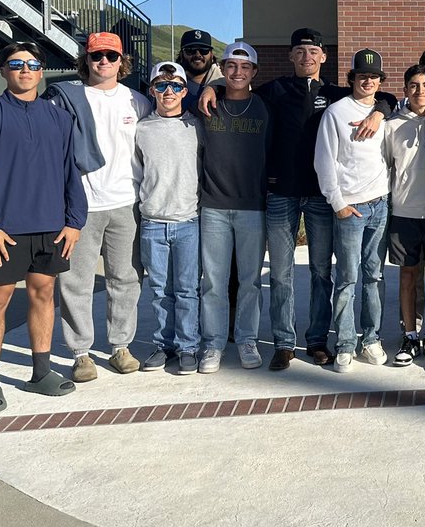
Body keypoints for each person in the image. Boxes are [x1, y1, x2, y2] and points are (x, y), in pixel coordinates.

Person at [199, 28, 391, 372]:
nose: (307, 58)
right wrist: (212, 86)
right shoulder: (274, 90)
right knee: (283, 275)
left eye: (313, 52)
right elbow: (238, 87)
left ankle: (317, 339)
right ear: (291, 57)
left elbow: (379, 93)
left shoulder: (335, 94)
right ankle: (284, 342)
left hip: (320, 195)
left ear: (324, 57)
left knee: (321, 272)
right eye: (300, 52)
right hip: (280, 194)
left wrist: (381, 110)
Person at [0, 42, 86, 414]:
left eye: (33, 64)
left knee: (43, 295)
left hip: (50, 227)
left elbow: (71, 173)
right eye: (16, 64)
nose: (25, 70)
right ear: (2, 70)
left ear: (42, 71)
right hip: (4, 232)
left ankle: (41, 372)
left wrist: (74, 221)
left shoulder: (59, 118)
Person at [44, 32, 151, 383]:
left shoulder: (138, 102)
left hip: (126, 203)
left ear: (122, 61)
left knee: (126, 278)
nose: (103, 61)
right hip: (81, 207)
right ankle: (80, 353)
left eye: (111, 55)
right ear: (85, 60)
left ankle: (120, 346)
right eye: (96, 56)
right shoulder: (65, 99)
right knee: (76, 281)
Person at [314, 50, 392, 373]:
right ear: (351, 79)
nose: (368, 80)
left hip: (380, 203)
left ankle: (370, 337)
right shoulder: (335, 113)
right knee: (347, 277)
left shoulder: (384, 112)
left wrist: (380, 112)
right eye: (362, 75)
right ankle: (345, 342)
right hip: (351, 207)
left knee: (374, 275)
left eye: (373, 76)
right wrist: (338, 203)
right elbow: (324, 161)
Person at [198, 42, 272, 373]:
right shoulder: (205, 105)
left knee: (250, 281)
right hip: (213, 206)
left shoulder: (265, 107)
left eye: (244, 67)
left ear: (254, 72)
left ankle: (246, 339)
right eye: (231, 66)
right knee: (213, 281)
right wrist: (212, 88)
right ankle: (213, 344)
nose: (237, 72)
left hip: (252, 208)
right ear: (222, 69)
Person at [134, 61, 204, 375]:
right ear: (152, 91)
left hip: (189, 220)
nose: (168, 92)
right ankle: (164, 346)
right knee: (160, 291)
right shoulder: (142, 129)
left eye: (175, 86)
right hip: (153, 221)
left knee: (188, 289)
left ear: (184, 91)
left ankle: (189, 346)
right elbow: (136, 173)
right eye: (161, 86)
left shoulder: (197, 127)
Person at [383, 65, 425, 366]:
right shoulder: (391, 125)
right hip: (404, 212)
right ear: (405, 89)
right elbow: (385, 168)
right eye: (414, 85)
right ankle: (410, 334)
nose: (420, 91)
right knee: (408, 276)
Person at [177, 28, 223, 103]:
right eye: (190, 50)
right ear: (181, 55)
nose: (198, 55)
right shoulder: (169, 87)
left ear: (212, 55)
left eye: (204, 50)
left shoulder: (227, 86)